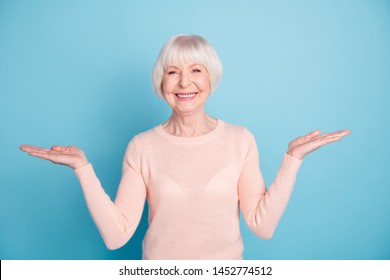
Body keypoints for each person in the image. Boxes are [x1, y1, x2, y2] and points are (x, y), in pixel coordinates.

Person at [19, 34, 350, 260]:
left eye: (196, 70)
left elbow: (262, 226)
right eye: (172, 71)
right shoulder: (142, 146)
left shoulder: (240, 139)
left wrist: (292, 160)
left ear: (211, 78)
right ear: (161, 81)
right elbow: (116, 236)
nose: (184, 82)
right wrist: (83, 170)